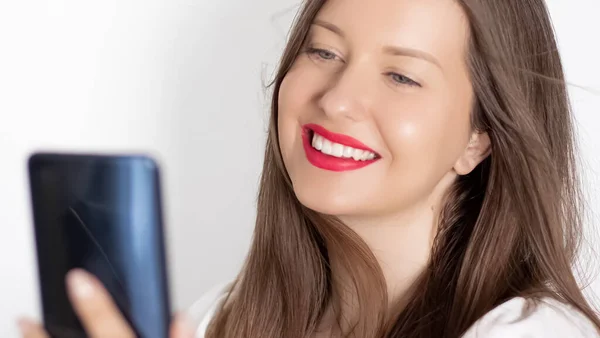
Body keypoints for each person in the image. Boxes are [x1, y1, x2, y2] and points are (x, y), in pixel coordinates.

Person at [18, 0, 600, 337]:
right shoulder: (217, 317)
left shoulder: (534, 331)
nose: (337, 99)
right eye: (323, 52)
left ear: (480, 139)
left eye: (401, 76)